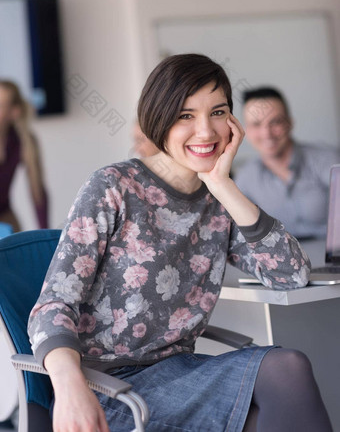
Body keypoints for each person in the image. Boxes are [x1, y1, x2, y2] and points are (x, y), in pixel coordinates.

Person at [28, 55, 332, 432]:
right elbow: (53, 305)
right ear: (160, 120)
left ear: (232, 122)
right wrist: (70, 386)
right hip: (106, 387)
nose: (205, 131)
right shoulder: (113, 186)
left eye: (217, 112)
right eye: (185, 116)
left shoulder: (218, 199)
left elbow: (291, 275)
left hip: (180, 374)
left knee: (288, 368)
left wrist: (222, 186)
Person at [235, 87, 340, 240]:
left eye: (275, 122)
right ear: (247, 131)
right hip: (283, 261)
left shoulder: (328, 160)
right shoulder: (245, 178)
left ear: (289, 123)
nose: (267, 133)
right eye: (257, 124)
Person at [0, 80, 48, 231]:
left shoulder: (22, 142)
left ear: (15, 112)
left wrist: (45, 235)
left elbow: (37, 192)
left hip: (5, 218)